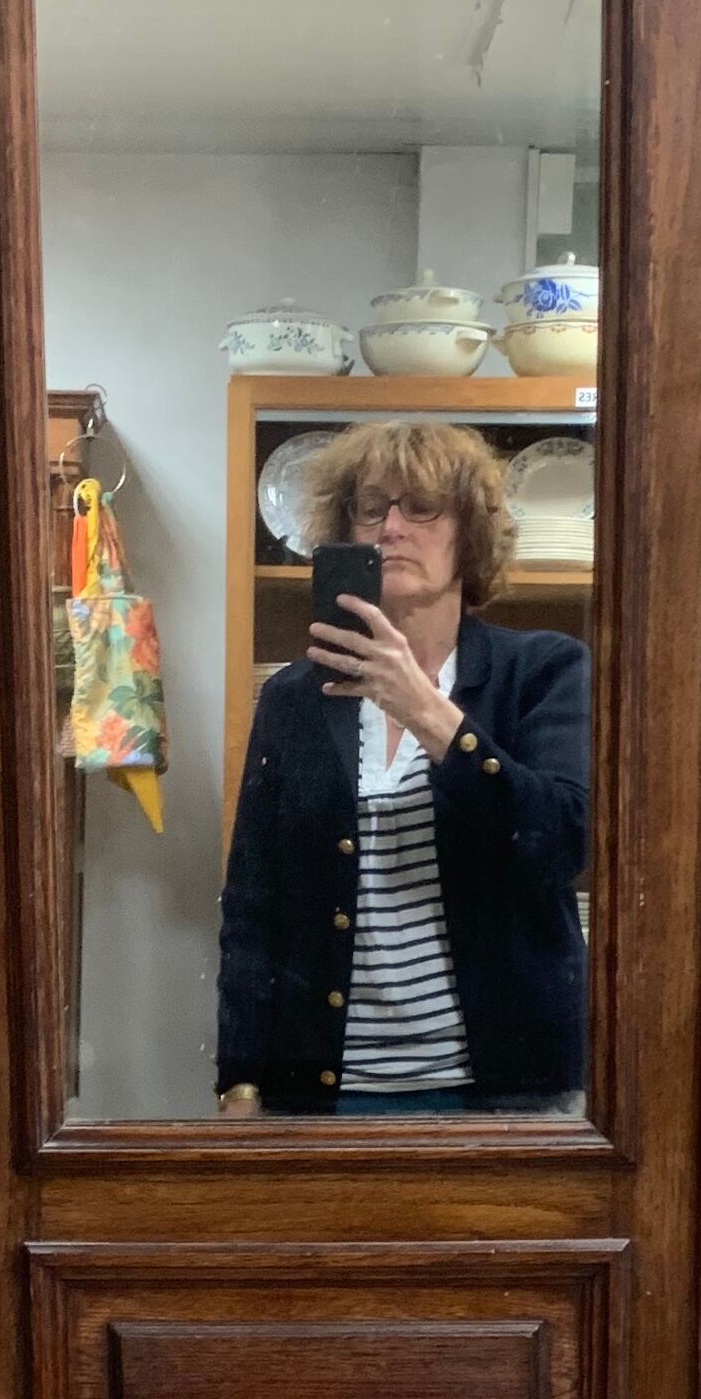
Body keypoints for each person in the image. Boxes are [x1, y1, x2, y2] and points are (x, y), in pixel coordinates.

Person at [216, 418, 590, 1117]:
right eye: (370, 507)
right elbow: (251, 901)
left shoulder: (541, 670)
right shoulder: (295, 697)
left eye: (421, 507)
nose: (391, 527)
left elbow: (560, 845)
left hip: (505, 1089)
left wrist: (427, 710)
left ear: (469, 532)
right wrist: (239, 1079)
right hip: (323, 1088)